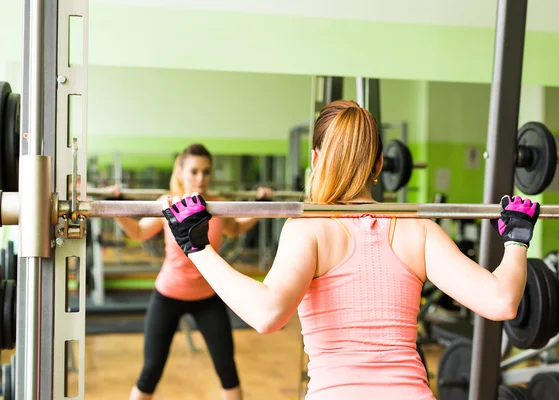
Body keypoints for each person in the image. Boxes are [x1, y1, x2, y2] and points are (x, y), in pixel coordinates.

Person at [160, 101, 539, 399]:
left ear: (315, 160)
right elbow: (502, 301)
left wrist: (196, 248)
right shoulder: (419, 230)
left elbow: (266, 314)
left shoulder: (308, 230)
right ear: (378, 167)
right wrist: (516, 240)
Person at [114, 144, 272, 400]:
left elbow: (235, 229)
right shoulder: (168, 203)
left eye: (206, 172)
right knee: (150, 371)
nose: (201, 178)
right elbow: (139, 232)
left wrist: (262, 205)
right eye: (194, 171)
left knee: (227, 370)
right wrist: (115, 209)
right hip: (168, 295)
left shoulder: (218, 205)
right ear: (181, 172)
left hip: (208, 299)